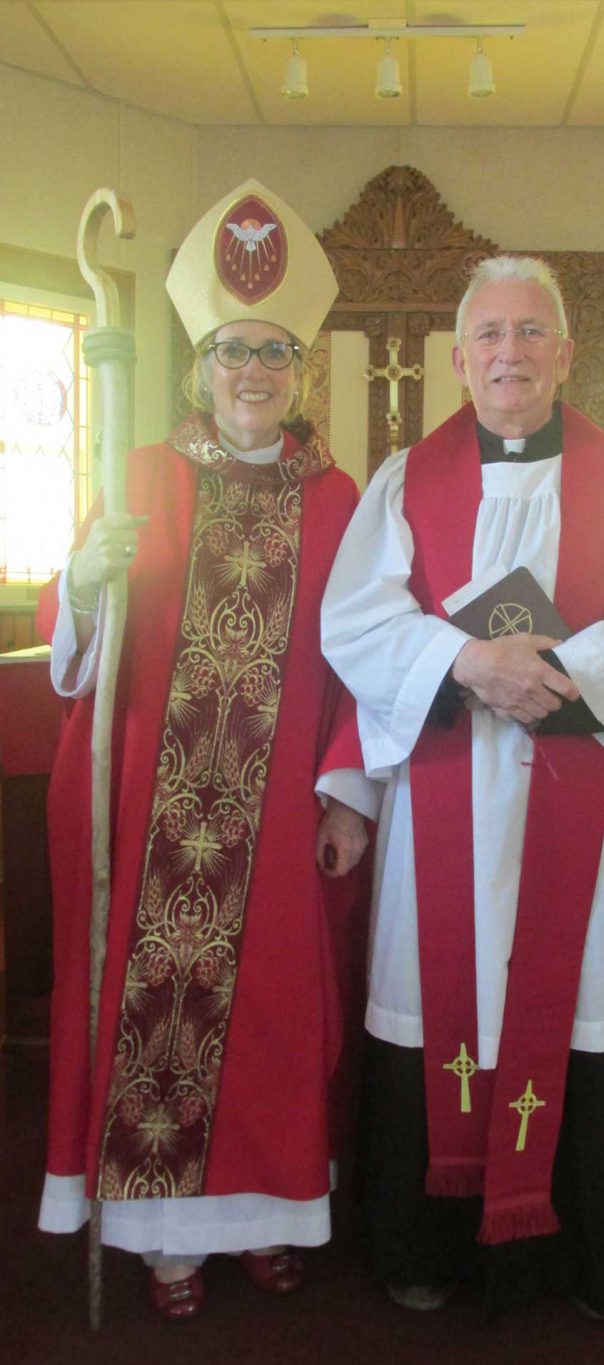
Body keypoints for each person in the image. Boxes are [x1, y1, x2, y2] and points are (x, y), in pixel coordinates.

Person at [321, 255, 604, 1321]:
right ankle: (426, 1244)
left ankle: (590, 1257)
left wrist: (556, 676)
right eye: (489, 335)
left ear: (566, 354)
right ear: (458, 359)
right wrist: (463, 661)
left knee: (578, 1000)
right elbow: (355, 619)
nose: (510, 353)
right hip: (448, 789)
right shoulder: (407, 482)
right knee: (438, 996)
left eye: (531, 333)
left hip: (582, 795)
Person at [36, 178, 376, 1320]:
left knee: (277, 1016)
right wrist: (86, 581)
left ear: (300, 369)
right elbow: (74, 634)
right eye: (234, 351)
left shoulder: (340, 501)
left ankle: (268, 1217)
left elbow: (363, 656)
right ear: (202, 365)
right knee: (156, 1017)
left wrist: (347, 794)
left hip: (278, 814)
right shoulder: (137, 477)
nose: (253, 371)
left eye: (275, 351)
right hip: (154, 808)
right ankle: (162, 1238)